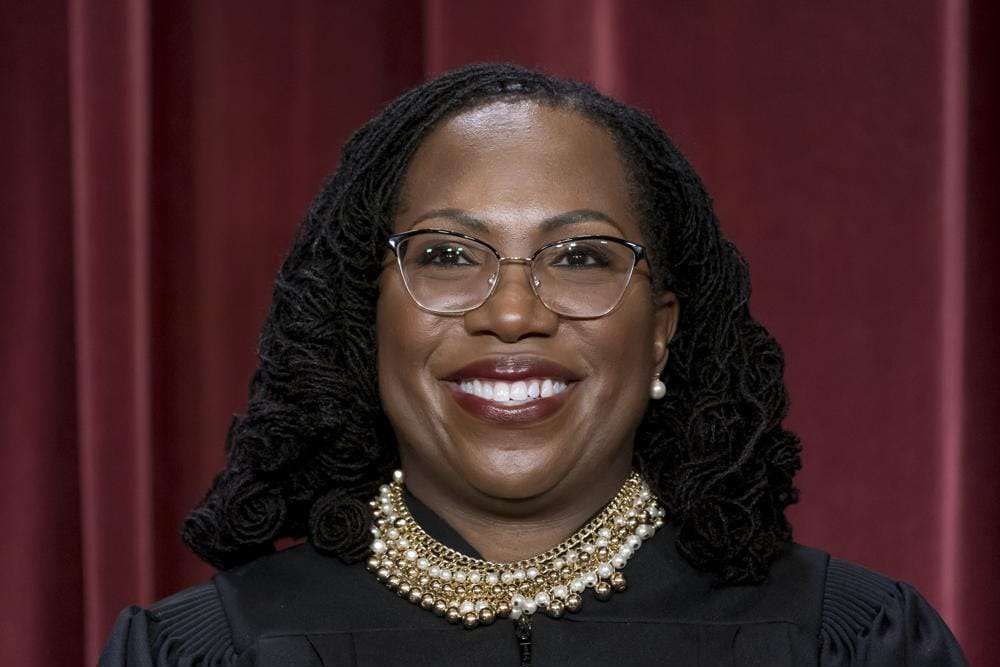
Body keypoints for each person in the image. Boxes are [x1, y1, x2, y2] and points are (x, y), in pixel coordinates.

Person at [99, 62, 968, 666]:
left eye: (581, 256)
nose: (513, 313)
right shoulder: (207, 650)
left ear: (661, 331)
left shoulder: (846, 641)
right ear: (367, 319)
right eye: (447, 255)